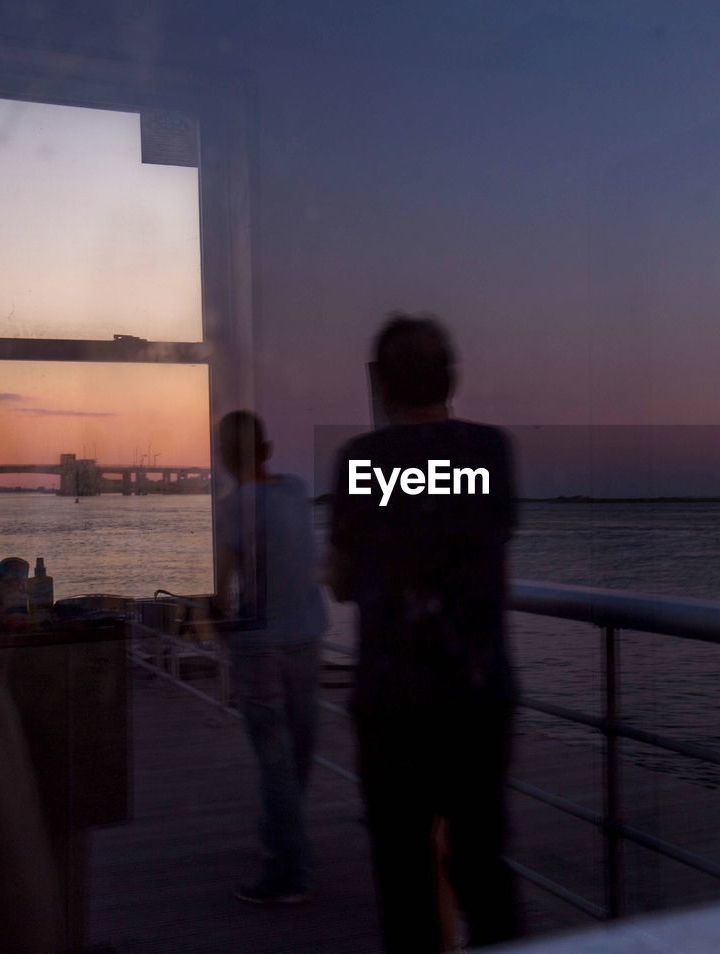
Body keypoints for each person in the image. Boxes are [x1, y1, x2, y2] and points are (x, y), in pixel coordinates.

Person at [326, 314, 520, 951]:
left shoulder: (360, 461)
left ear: (381, 384)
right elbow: (496, 563)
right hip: (477, 692)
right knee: (483, 864)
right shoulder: (489, 451)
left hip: (392, 702)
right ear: (452, 378)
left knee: (404, 875)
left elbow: (345, 582)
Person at [215, 410, 327, 904]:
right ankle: (281, 838)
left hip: (259, 646)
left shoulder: (233, 507)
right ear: (268, 448)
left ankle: (290, 871)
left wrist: (222, 633)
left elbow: (220, 590)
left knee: (274, 761)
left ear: (222, 457)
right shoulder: (298, 491)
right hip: (307, 638)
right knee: (297, 755)